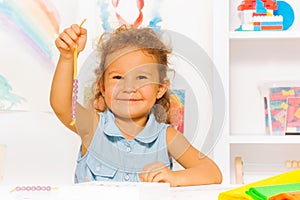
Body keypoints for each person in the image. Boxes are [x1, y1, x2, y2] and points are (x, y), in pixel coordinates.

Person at [50, 23, 222, 186]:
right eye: (118, 77)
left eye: (141, 78)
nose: (129, 87)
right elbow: (62, 106)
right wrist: (67, 58)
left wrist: (174, 178)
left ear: (160, 89)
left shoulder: (166, 137)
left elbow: (212, 172)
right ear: (102, 86)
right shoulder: (93, 127)